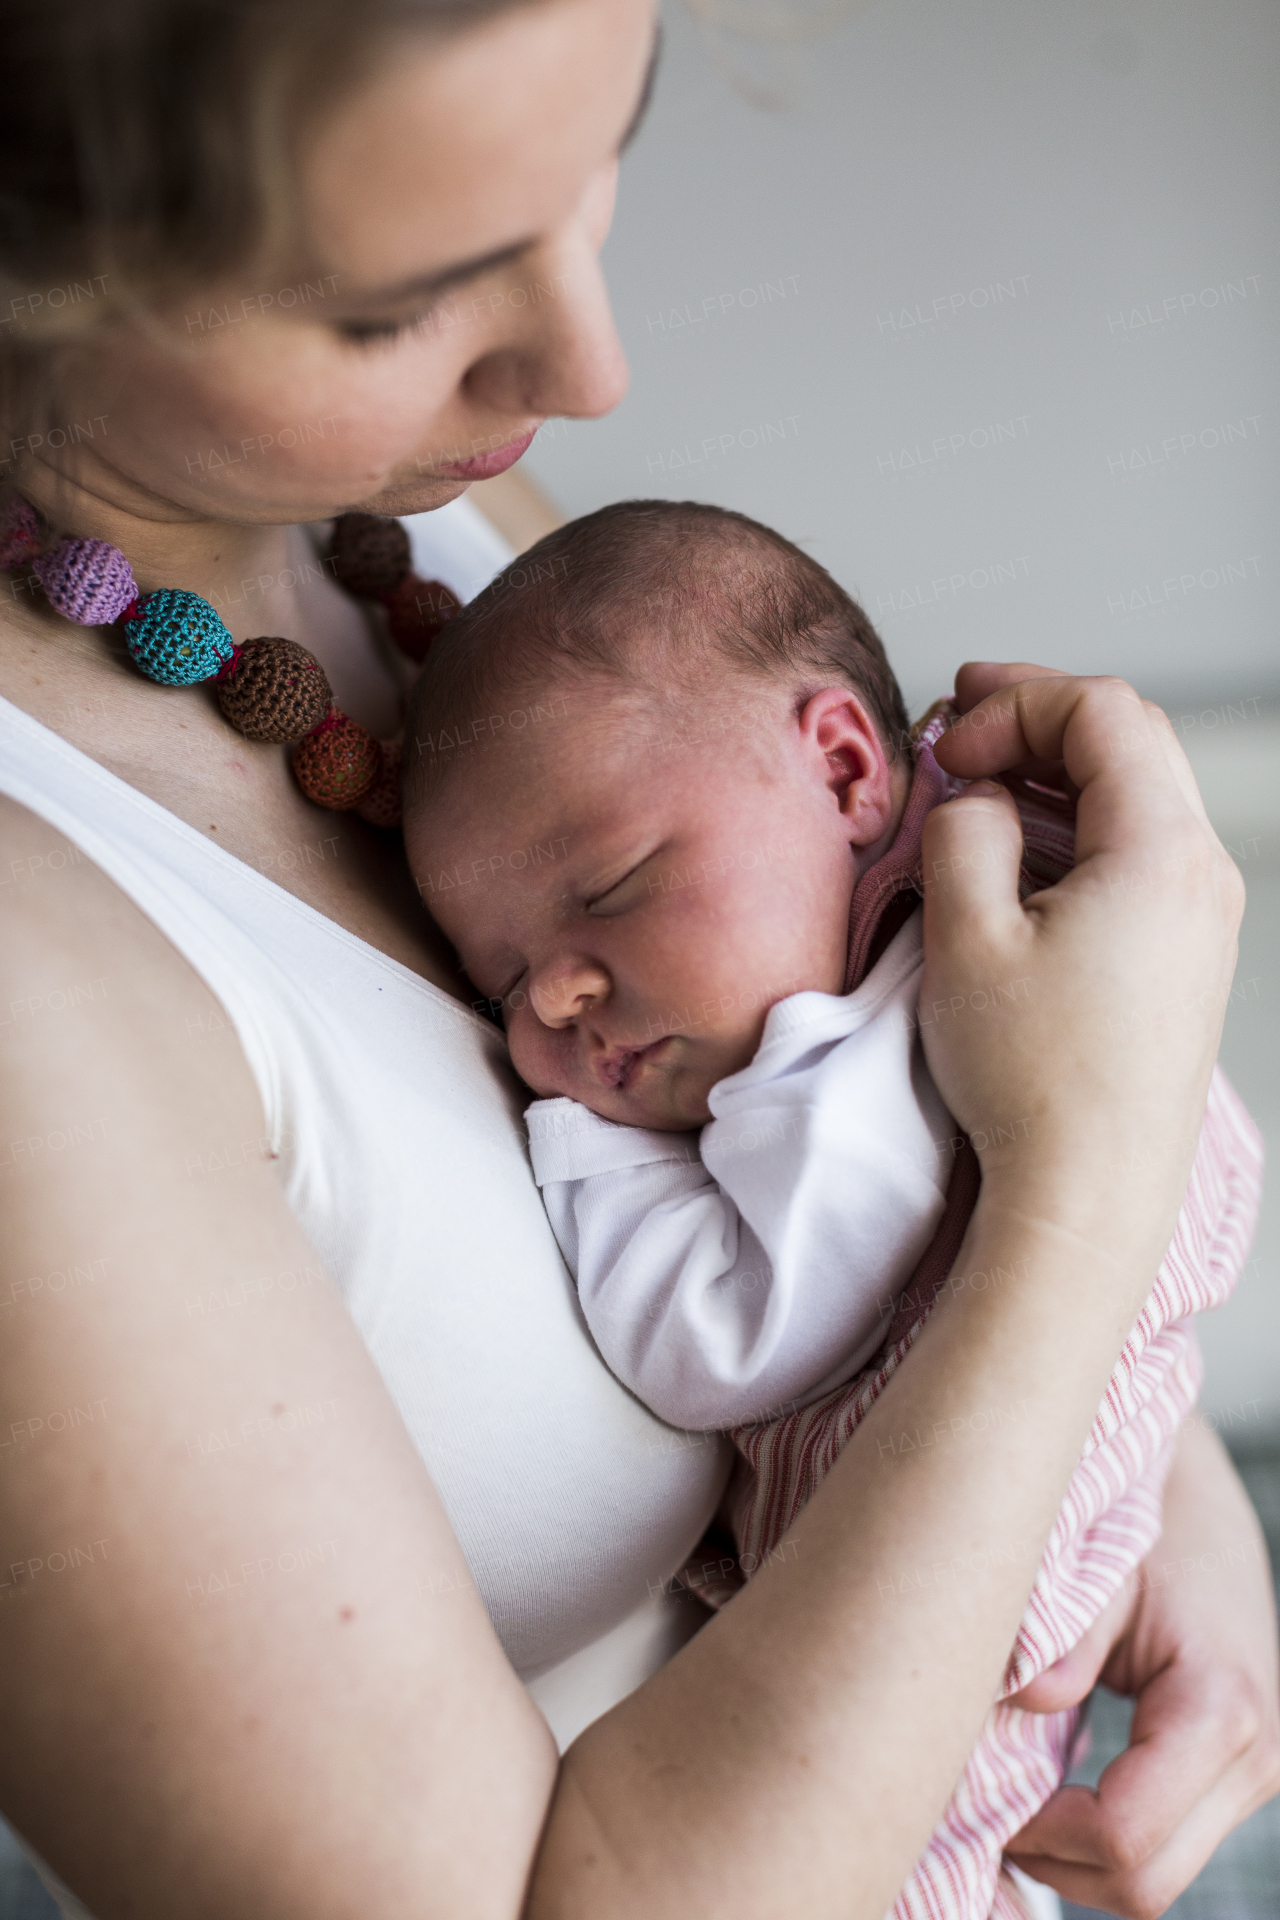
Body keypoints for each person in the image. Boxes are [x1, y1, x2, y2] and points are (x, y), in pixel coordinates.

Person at [0, 1, 1274, 1917]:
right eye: (394, 301)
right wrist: (1083, 1204)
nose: (590, 365)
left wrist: (1149, 1481)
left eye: (601, 157)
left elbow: (832, 1013)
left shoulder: (412, 534)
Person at [401, 495, 1264, 1917]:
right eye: (501, 981)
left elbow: (729, 1339)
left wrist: (587, 1153)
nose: (553, 996)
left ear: (851, 767)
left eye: (613, 888)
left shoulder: (856, 1057)